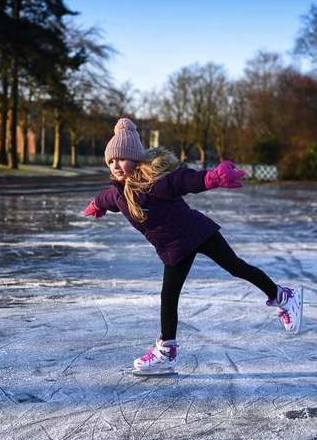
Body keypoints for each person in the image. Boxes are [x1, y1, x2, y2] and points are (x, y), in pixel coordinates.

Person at [83, 117, 303, 375]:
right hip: (174, 248)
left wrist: (211, 178)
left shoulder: (155, 181)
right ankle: (166, 351)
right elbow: (105, 198)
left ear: (135, 158)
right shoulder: (118, 194)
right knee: (169, 296)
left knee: (236, 267)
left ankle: (282, 296)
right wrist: (97, 205)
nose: (115, 165)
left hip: (197, 232)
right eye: (111, 160)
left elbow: (184, 180)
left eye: (121, 158)